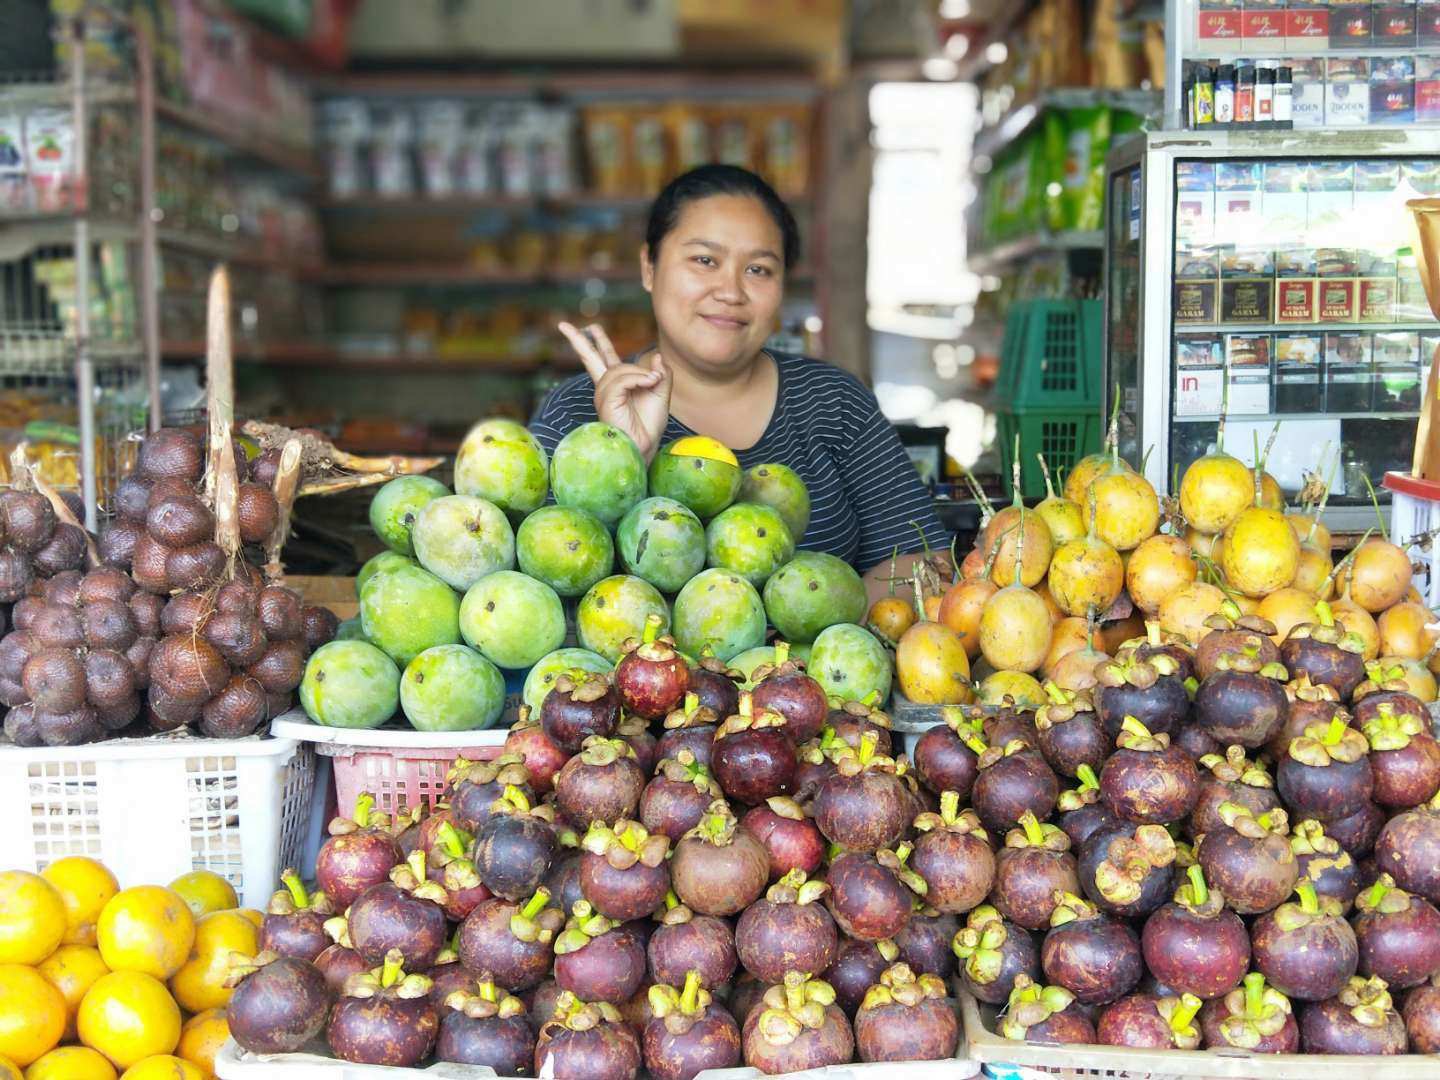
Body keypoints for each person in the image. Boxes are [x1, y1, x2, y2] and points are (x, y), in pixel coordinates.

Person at [530, 164, 949, 599]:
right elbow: (532, 592)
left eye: (759, 270)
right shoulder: (576, 411)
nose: (730, 290)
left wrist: (811, 646)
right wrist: (623, 461)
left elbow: (920, 559)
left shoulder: (833, 400)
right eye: (705, 260)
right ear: (649, 267)